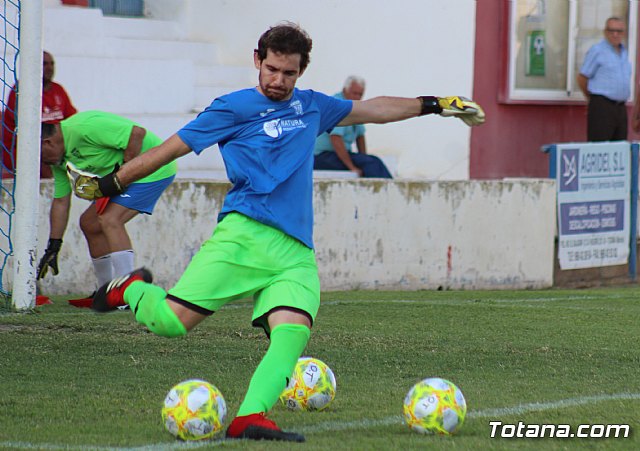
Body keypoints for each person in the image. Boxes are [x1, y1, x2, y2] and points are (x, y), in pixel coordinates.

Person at [72, 22, 484, 442]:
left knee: (291, 332)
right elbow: (168, 150)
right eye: (271, 69)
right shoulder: (231, 109)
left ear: (301, 71)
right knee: (170, 323)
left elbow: (375, 110)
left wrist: (436, 104)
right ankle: (132, 289)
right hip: (243, 237)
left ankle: (250, 417)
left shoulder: (313, 107)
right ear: (257, 59)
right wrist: (110, 184)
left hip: (295, 253)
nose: (277, 80)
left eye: (288, 73)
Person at [37, 110, 176, 306]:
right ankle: (105, 292)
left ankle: (128, 294)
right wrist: (54, 244)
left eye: (42, 156)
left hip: (154, 168)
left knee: (111, 219)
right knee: (89, 224)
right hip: (125, 178)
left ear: (48, 143)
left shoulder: (83, 127)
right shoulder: (58, 161)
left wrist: (125, 172)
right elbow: (61, 201)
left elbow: (137, 133)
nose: (43, 163)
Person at [2, 51, 77, 179]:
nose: (50, 68)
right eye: (44, 64)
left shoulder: (58, 89)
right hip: (26, 152)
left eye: (52, 64)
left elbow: (73, 121)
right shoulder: (20, 92)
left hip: (54, 148)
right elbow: (26, 133)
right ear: (33, 66)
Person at [313, 75, 392, 178]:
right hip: (321, 156)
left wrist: (363, 157)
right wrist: (352, 167)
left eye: (360, 94)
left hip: (335, 156)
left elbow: (360, 136)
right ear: (345, 90)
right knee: (372, 163)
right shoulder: (338, 104)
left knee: (371, 162)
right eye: (354, 93)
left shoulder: (355, 106)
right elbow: (336, 138)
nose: (357, 97)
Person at [577, 17, 631, 142]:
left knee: (619, 148)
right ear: (605, 32)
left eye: (619, 31)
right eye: (611, 30)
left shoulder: (624, 53)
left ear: (624, 33)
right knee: (600, 148)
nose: (615, 34)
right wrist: (592, 98)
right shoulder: (597, 50)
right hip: (602, 106)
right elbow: (582, 77)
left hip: (620, 108)